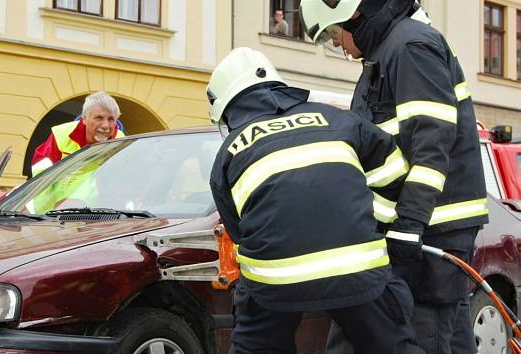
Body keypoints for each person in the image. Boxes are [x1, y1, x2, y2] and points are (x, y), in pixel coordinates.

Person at [299, 1, 489, 353]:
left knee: (423, 336)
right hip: (425, 227)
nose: (337, 45)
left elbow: (431, 145)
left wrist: (409, 223)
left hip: (431, 229)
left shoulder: (409, 47)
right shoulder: (388, 50)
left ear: (353, 15)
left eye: (332, 33)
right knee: (449, 338)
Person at [208, 47, 423, 354]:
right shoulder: (337, 118)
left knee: (257, 343)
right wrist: (370, 222)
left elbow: (241, 235)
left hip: (276, 280)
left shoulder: (229, 152)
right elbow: (393, 171)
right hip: (356, 268)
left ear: (228, 109)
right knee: (391, 344)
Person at [31, 91, 125, 176]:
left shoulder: (122, 141)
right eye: (99, 118)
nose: (105, 125)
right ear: (84, 118)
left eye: (111, 119)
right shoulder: (62, 134)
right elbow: (40, 172)